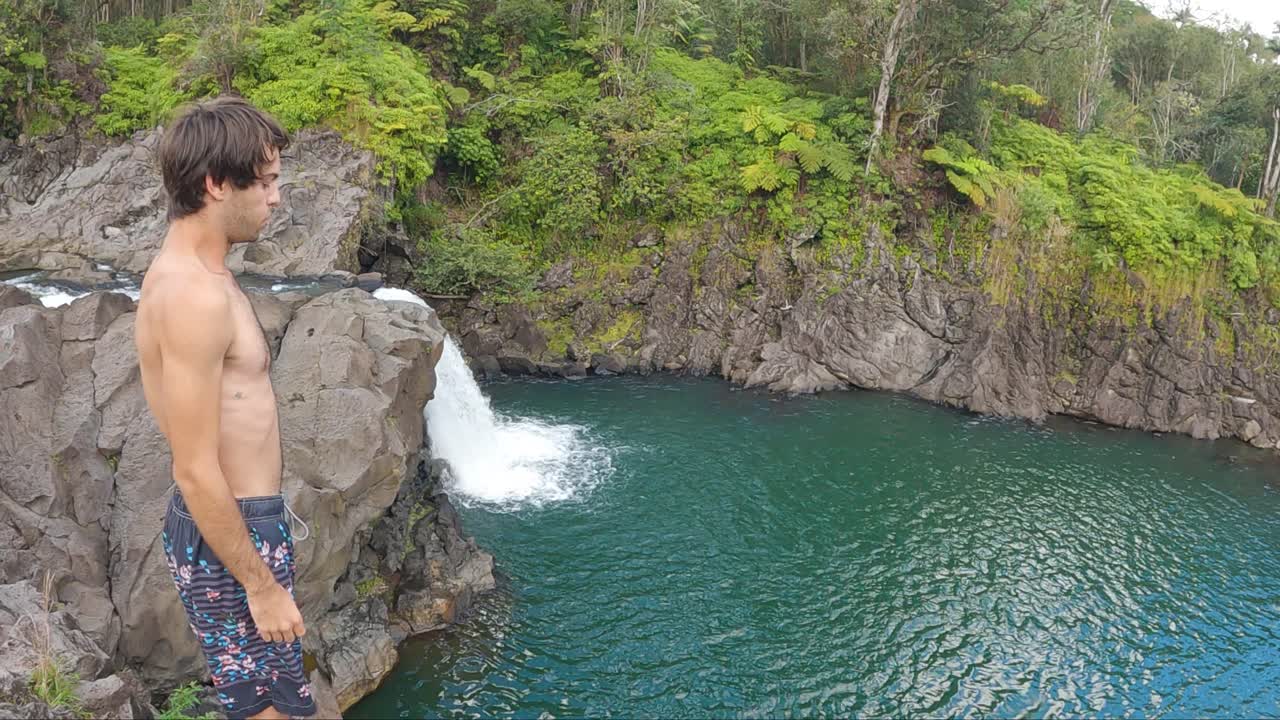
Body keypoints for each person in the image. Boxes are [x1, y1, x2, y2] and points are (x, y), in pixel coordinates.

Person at [134, 97, 316, 720]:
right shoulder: (191, 295)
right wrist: (260, 587)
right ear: (215, 184)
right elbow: (194, 468)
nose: (276, 198)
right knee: (270, 712)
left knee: (279, 703)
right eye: (264, 183)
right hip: (229, 535)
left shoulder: (206, 275)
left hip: (243, 526)